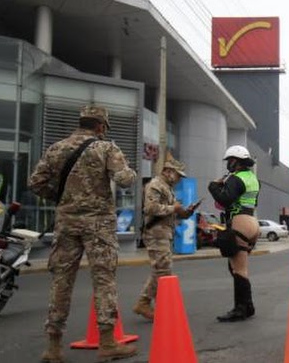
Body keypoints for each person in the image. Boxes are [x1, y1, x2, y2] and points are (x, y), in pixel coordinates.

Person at [29, 105, 138, 363]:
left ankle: (53, 347)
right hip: (98, 223)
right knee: (104, 279)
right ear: (100, 126)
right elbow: (124, 180)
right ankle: (108, 342)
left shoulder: (56, 148)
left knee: (61, 281)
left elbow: (36, 182)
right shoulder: (106, 148)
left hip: (66, 222)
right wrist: (129, 170)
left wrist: (62, 197)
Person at [132, 157, 190, 321]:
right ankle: (149, 304)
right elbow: (150, 208)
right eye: (178, 175)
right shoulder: (156, 184)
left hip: (164, 232)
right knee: (163, 269)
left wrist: (185, 212)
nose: (179, 179)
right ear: (168, 171)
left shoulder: (167, 187)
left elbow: (168, 211)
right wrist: (174, 207)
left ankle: (146, 303)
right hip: (156, 232)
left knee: (161, 268)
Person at [208, 145, 261, 322]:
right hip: (252, 222)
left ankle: (241, 309)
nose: (228, 164)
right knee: (237, 267)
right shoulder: (253, 178)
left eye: (230, 161)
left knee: (238, 268)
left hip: (240, 222)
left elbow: (225, 199)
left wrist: (213, 187)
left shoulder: (235, 178)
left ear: (236, 161)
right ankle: (248, 305)